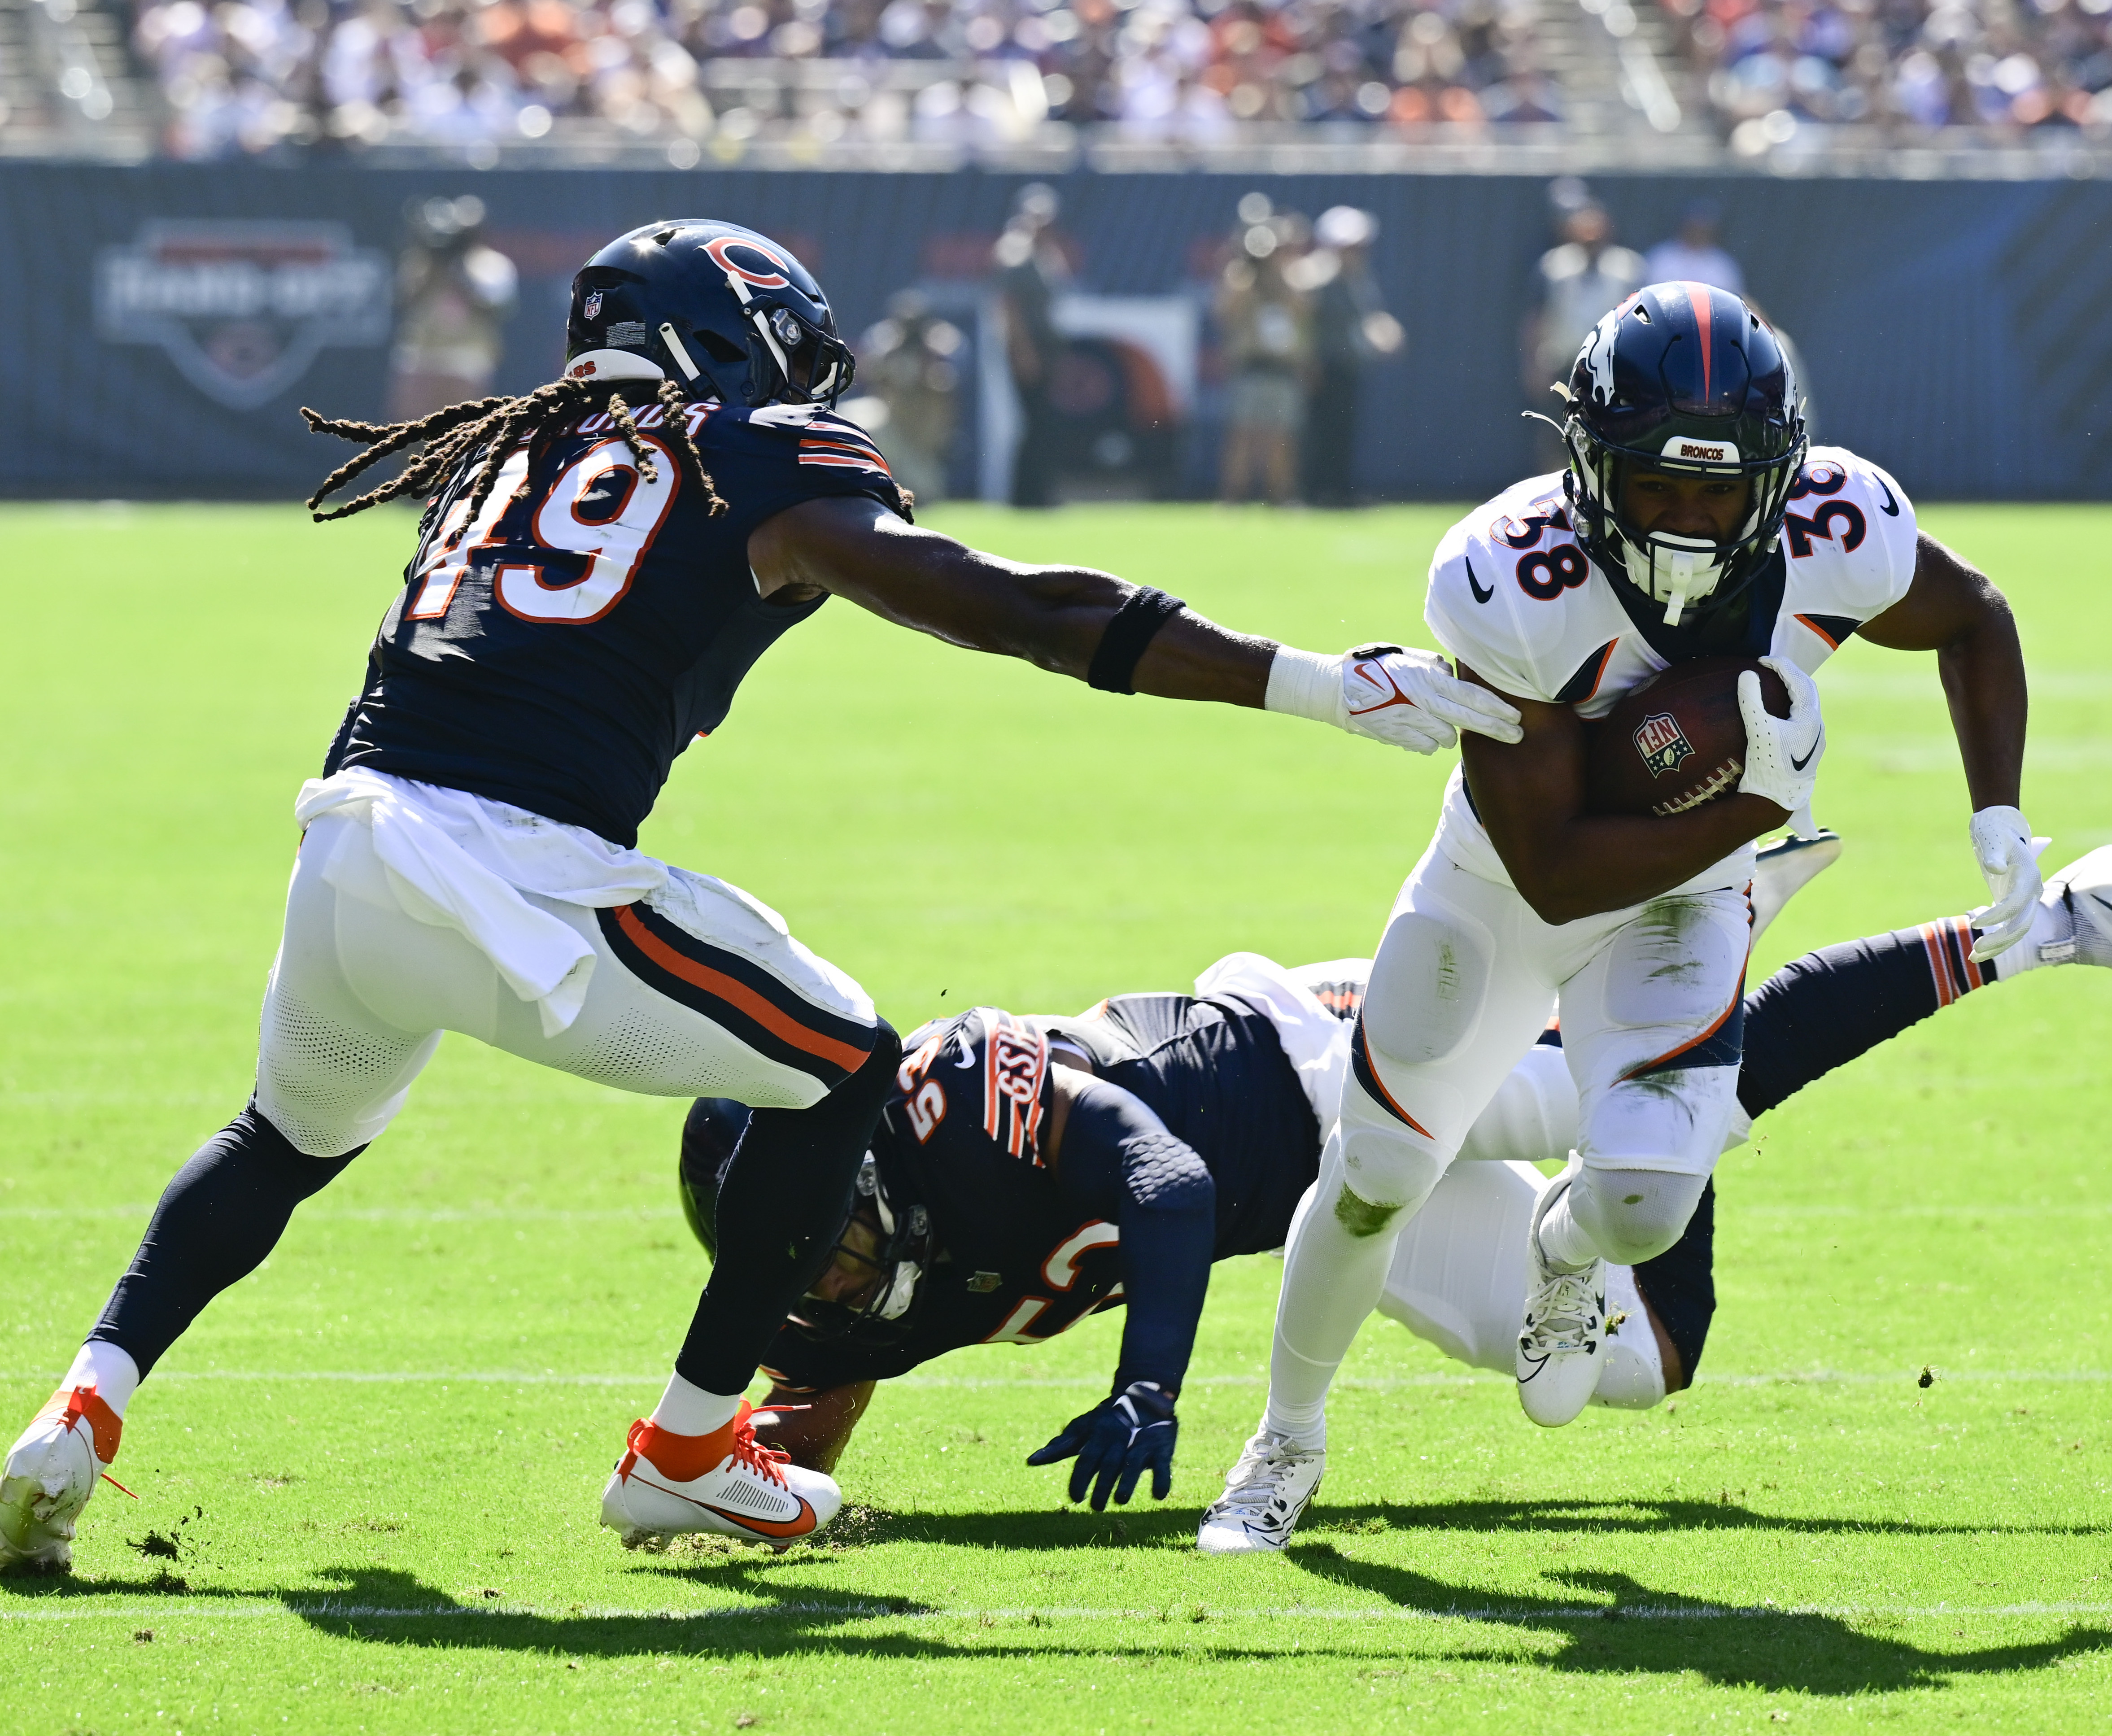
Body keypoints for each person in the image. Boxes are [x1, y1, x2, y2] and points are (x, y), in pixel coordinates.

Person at [0, 218, 1523, 1575]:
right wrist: (1313, 686)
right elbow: (1020, 613)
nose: (813, 392)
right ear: (728, 346)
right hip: (511, 870)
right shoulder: (758, 459)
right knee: (850, 1060)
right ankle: (684, 1451)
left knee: (277, 1142)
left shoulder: (501, 456)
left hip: (345, 844)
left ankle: (79, 1411)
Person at [1196, 283, 2050, 1555]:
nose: (1694, 519)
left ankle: (1560, 1246)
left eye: (1721, 489)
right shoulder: (1507, 577)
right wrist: (1754, 804)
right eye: (1660, 486)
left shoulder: (1837, 524)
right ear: (1591, 466)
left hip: (1683, 898)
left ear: (1778, 475)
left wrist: (1996, 815)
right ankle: (1286, 1440)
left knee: (1645, 1203)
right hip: (1502, 889)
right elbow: (1551, 869)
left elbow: (1969, 615)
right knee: (1375, 1178)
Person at [692, 839, 2112, 1499]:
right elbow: (810, 1410)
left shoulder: (955, 1091)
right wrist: (778, 1484)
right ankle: (1603, 1192)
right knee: (1644, 1362)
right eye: (798, 1263)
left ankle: (2044, 923)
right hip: (1326, 1213)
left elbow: (1158, 1179)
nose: (824, 1275)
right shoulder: (818, 1299)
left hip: (1332, 1067)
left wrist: (1155, 1384)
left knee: (1674, 1083)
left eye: (823, 1238)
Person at [1521, 188, 1643, 469]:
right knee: (1555, 432)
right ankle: (1553, 492)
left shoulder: (1627, 267)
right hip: (1563, 362)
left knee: (1610, 433)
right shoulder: (1554, 266)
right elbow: (1536, 318)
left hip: (1611, 367)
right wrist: (1533, 364)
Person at [1300, 205, 1404, 508]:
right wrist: (1308, 364)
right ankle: (1315, 493)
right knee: (1321, 430)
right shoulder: (1314, 276)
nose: (1357, 252)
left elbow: (1367, 318)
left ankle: (1339, 491)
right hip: (1323, 365)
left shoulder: (1358, 278)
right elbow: (1306, 326)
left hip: (1348, 365)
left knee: (1343, 431)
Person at [387, 194, 518, 422]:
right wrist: (434, 264)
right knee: (407, 425)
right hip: (420, 353)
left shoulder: (491, 264)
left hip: (466, 356)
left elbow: (497, 308)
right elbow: (402, 301)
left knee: (461, 426)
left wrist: (458, 271)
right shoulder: (420, 262)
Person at [1216, 207, 1314, 506]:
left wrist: (1280, 272)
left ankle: (1281, 495)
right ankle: (1234, 496)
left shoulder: (1291, 279)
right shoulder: (1242, 280)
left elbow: (1303, 310)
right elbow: (1225, 312)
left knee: (1281, 437)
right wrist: (1250, 269)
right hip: (1252, 366)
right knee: (1244, 434)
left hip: (1281, 368)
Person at [994, 184, 1068, 509]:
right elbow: (1009, 309)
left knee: (1043, 423)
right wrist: (1023, 352)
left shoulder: (1041, 253)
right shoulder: (1017, 254)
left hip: (1043, 347)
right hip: (1029, 348)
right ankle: (1026, 496)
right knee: (1035, 422)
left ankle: (1036, 494)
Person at [854, 289, 963, 505]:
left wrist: (927, 368)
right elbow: (871, 375)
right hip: (892, 434)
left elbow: (946, 391)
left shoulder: (940, 351)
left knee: (924, 494)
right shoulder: (888, 346)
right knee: (857, 418)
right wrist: (892, 356)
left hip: (920, 450)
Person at [1641, 199, 1745, 297]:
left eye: (1704, 229)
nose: (1698, 233)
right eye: (1695, 226)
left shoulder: (1723, 265)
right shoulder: (1660, 257)